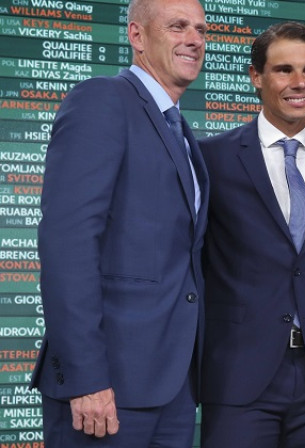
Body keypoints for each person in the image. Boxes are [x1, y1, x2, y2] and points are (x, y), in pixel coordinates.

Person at [31, 0, 209, 445]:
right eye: (177, 27)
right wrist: (86, 378)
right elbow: (67, 244)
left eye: (201, 29)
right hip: (106, 389)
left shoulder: (181, 132)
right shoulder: (102, 100)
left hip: (173, 388)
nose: (194, 39)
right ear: (136, 36)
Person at [198, 21, 305, 448]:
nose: (299, 83)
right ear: (256, 78)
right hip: (237, 374)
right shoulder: (212, 159)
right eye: (284, 70)